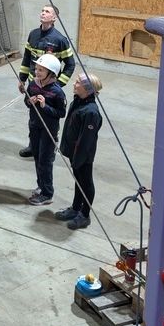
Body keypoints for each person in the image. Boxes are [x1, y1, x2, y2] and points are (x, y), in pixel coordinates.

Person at [18, 4, 74, 158]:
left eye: (47, 11)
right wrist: (22, 79)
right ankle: (33, 145)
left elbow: (70, 64)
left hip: (50, 87)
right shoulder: (33, 34)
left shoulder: (60, 40)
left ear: (54, 18)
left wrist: (58, 84)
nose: (43, 13)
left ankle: (51, 146)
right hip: (34, 84)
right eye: (42, 10)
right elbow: (27, 58)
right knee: (34, 115)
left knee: (50, 117)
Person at [56, 73, 103, 230]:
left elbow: (86, 141)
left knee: (86, 182)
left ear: (88, 89)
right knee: (78, 182)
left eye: (78, 83)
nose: (74, 84)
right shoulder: (77, 102)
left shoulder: (91, 112)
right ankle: (76, 208)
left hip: (83, 156)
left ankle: (85, 214)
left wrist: (78, 159)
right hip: (74, 152)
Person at [25, 53, 67, 206]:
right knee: (37, 157)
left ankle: (47, 193)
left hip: (48, 131)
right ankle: (41, 186)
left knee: (45, 161)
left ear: (51, 73)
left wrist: (45, 106)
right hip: (35, 126)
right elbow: (26, 101)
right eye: (37, 69)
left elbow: (61, 113)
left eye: (41, 70)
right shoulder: (33, 84)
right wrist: (30, 101)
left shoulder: (57, 92)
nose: (37, 72)